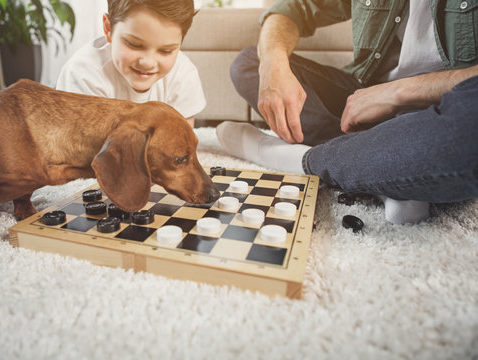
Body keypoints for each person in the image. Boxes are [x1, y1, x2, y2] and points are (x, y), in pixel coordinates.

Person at [216, 0, 478, 224]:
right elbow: (294, 7)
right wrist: (273, 63)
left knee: (468, 132)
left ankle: (298, 159)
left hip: (445, 109)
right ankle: (389, 167)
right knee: (250, 63)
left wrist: (399, 92)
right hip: (365, 102)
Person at [56, 0, 205, 128]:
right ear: (109, 29)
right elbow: (80, 145)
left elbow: (182, 134)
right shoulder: (83, 74)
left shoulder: (183, 74)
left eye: (165, 51)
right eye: (134, 45)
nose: (147, 62)